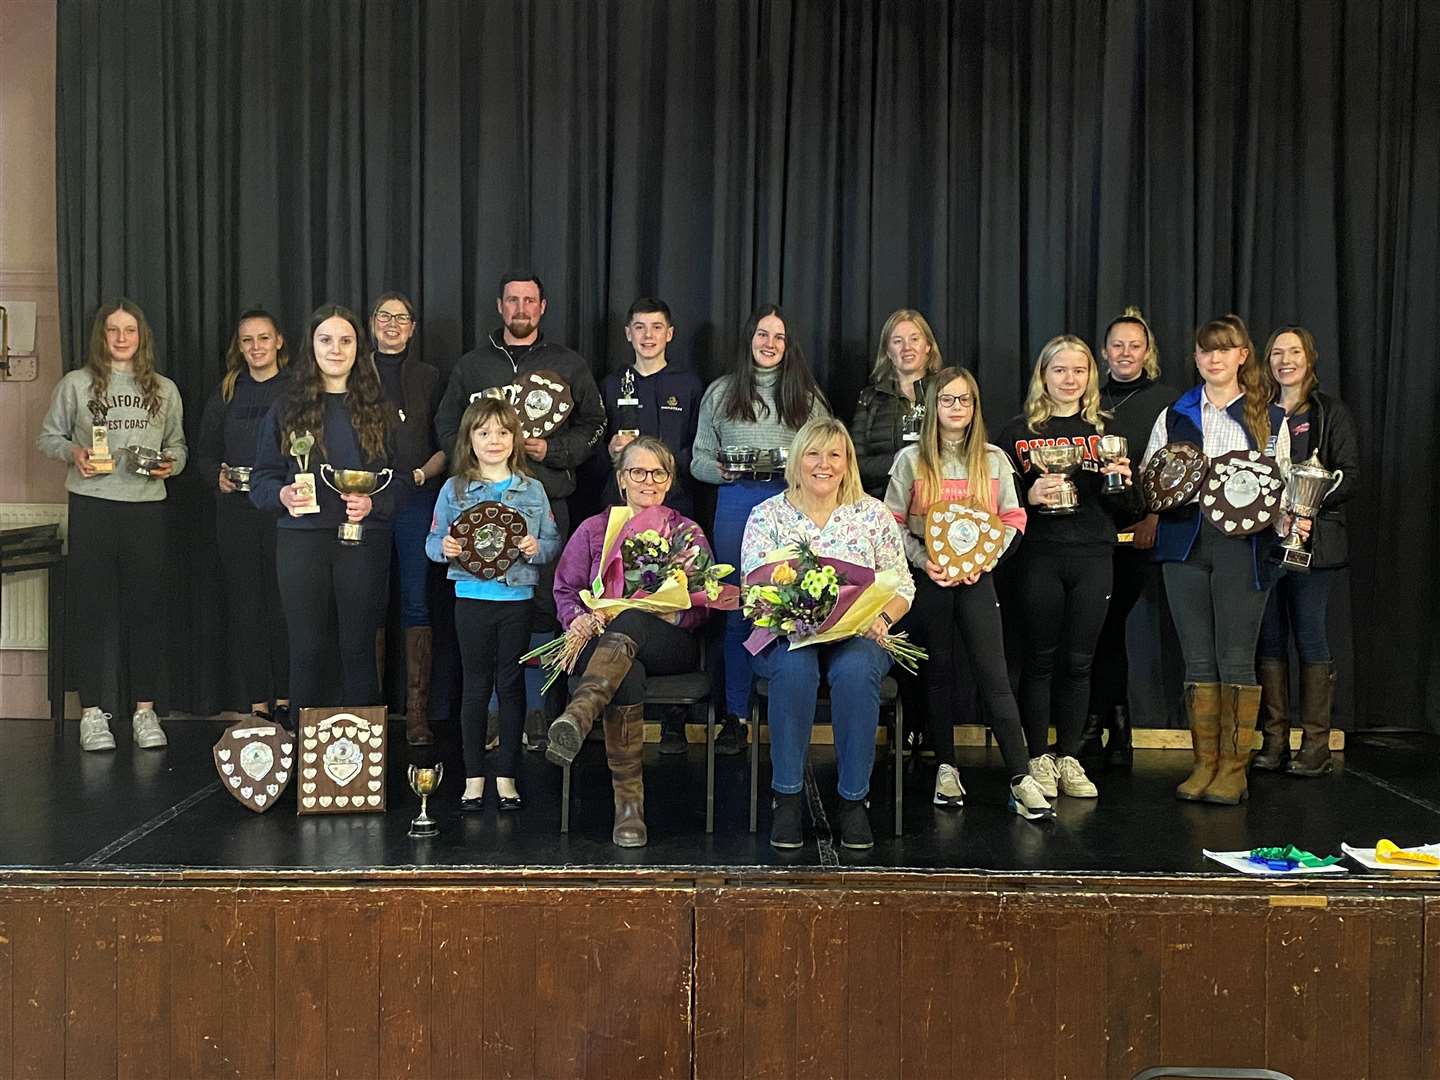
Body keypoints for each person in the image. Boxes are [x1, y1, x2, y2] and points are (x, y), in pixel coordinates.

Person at [434, 271, 606, 746]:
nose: (521, 308)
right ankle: (491, 717)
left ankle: (538, 711)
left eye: (529, 300)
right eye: (513, 300)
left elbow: (595, 425)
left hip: (546, 502)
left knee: (548, 609)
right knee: (488, 610)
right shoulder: (473, 366)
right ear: (500, 306)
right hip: (479, 509)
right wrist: (472, 463)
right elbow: (447, 423)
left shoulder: (569, 364)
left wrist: (550, 452)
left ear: (543, 307)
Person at [883, 368, 1053, 819]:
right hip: (930, 580)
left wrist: (983, 560)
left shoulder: (994, 459)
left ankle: (1020, 776)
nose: (957, 408)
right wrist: (925, 563)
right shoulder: (910, 460)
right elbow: (892, 522)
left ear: (976, 408)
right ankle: (946, 767)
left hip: (979, 579)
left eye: (965, 401)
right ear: (933, 407)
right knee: (938, 672)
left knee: (994, 676)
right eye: (948, 400)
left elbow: (1014, 519)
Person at [1142, 314, 1292, 805]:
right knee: (1197, 657)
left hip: (1244, 549)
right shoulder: (1175, 414)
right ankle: (1204, 763)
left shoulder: (1271, 415)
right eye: (1206, 351)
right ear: (1197, 359)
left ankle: (1234, 768)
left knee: (1235, 657)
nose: (1214, 358)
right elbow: (1152, 475)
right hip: (1185, 543)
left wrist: (1291, 517)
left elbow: (1285, 482)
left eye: (1224, 350)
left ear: (1243, 356)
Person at [743, 418, 912, 851]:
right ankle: (788, 799)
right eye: (814, 454)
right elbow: (752, 590)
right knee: (796, 670)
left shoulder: (872, 515)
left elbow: (903, 585)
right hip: (788, 635)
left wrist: (883, 619)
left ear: (848, 462)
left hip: (860, 633)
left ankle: (854, 800)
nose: (824, 464)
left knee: (856, 671)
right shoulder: (767, 516)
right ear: (797, 460)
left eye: (835, 454)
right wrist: (789, 615)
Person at [547, 438, 715, 847]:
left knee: (634, 619)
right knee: (626, 672)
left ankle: (581, 712)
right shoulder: (594, 530)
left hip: (668, 644)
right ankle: (629, 809)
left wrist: (667, 611)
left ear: (670, 480)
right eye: (638, 471)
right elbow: (565, 591)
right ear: (622, 479)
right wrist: (580, 619)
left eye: (658, 473)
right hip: (605, 645)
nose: (648, 481)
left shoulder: (685, 533)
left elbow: (705, 601)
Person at [37, 298, 188, 751]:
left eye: (130, 331)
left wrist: (170, 466)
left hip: (145, 509)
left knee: (147, 610)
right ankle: (91, 714)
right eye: (113, 331)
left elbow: (179, 446)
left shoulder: (164, 389)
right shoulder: (76, 385)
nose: (122, 339)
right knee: (90, 610)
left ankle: (145, 712)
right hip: (92, 507)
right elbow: (48, 437)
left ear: (142, 338)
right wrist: (74, 453)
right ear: (100, 337)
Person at [997, 336, 1140, 804]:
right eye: (1059, 370)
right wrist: (1029, 499)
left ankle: (1070, 756)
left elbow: (1129, 509)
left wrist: (1120, 482)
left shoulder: (1108, 432)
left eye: (1079, 370)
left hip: (1094, 554)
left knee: (1081, 662)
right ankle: (1038, 756)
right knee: (1038, 659)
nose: (1069, 379)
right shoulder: (1016, 433)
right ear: (1043, 375)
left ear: (1090, 377)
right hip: (1039, 555)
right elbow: (994, 502)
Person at [691, 305, 829, 756]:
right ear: (749, 338)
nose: (769, 344)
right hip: (736, 501)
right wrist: (724, 471)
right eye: (762, 335)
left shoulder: (805, 395)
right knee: (736, 606)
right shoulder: (721, 392)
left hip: (790, 504)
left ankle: (786, 711)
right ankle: (735, 715)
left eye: (779, 337)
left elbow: (826, 454)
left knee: (792, 603)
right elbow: (696, 460)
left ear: (789, 346)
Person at [251, 304, 395, 712]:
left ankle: (366, 763)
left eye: (345, 340)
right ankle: (306, 762)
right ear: (310, 347)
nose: (336, 349)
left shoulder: (378, 410)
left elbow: (399, 481)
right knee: (307, 649)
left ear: (357, 348)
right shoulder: (286, 408)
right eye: (326, 340)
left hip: (361, 544)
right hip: (300, 544)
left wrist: (373, 503)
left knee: (358, 648)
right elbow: (262, 479)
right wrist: (280, 496)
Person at [426, 398, 560, 811]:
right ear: (469, 438)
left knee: (511, 685)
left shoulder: (532, 489)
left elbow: (552, 543)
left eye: (503, 432)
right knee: (475, 687)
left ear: (514, 438)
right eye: (483, 432)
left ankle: (506, 776)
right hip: (470, 599)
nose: (493, 440)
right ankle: (472, 777)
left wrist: (536, 547)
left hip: (516, 599)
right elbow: (432, 544)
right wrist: (445, 547)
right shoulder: (455, 489)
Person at [1252, 326, 1359, 777]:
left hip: (1313, 544)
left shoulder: (1330, 411)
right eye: (1276, 352)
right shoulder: (1256, 412)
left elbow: (1349, 475)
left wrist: (1307, 507)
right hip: (1263, 540)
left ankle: (1315, 745)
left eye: (1293, 352)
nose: (1284, 360)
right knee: (1268, 639)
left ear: (1309, 358)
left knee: (1310, 637)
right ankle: (1274, 740)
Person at [1085, 307, 1176, 764]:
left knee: (1113, 627)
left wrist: (1153, 518)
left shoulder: (1168, 402)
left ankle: (1115, 727)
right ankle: (1101, 723)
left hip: (1140, 531)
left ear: (1147, 352)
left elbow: (1175, 469)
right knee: (1097, 631)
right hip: (1094, 533)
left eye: (1134, 346)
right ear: (1104, 353)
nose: (1125, 353)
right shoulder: (1089, 399)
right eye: (1117, 345)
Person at [195, 307, 291, 727]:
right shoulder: (227, 391)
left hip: (283, 513)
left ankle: (288, 698)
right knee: (247, 608)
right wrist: (216, 476)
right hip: (235, 514)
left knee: (285, 605)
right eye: (248, 340)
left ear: (279, 342)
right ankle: (258, 702)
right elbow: (204, 453)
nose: (256, 347)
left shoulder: (296, 390)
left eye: (264, 338)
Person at [369, 292, 446, 745]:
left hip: (418, 498)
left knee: (416, 601)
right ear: (372, 324)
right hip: (366, 501)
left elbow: (447, 443)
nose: (393, 324)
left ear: (413, 327)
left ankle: (416, 713)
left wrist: (420, 475)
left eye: (401, 318)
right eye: (384, 316)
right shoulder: (356, 372)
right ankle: (372, 713)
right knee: (370, 602)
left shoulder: (430, 377)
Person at [599, 297, 704, 519]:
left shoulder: (689, 385)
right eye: (640, 327)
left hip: (675, 499)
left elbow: (700, 444)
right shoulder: (610, 384)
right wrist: (609, 450)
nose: (648, 336)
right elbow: (594, 445)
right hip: (621, 503)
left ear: (669, 333)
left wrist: (663, 467)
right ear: (628, 334)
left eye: (657, 327)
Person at [852, 309, 942, 498]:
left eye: (914, 339)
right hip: (882, 504)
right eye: (897, 341)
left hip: (939, 502)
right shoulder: (870, 398)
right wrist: (902, 462)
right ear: (888, 352)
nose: (906, 347)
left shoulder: (947, 392)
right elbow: (854, 464)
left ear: (928, 346)